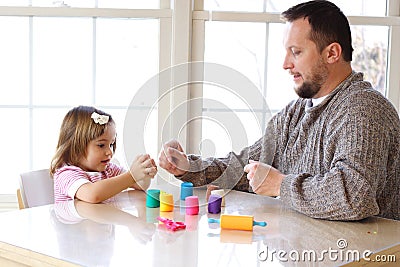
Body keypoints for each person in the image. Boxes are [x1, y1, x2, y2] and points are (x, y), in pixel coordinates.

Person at [159, 0, 400, 221]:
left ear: (332, 53)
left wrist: (280, 185)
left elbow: (354, 195)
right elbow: (247, 167)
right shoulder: (296, 112)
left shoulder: (364, 110)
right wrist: (190, 167)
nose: (285, 64)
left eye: (296, 52)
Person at [50, 105, 157, 203]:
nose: (110, 151)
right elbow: (93, 195)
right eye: (101, 145)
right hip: (77, 224)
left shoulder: (109, 170)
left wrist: (144, 174)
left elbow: (139, 185)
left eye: (111, 144)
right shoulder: (66, 174)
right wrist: (131, 176)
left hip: (104, 221)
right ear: (75, 146)